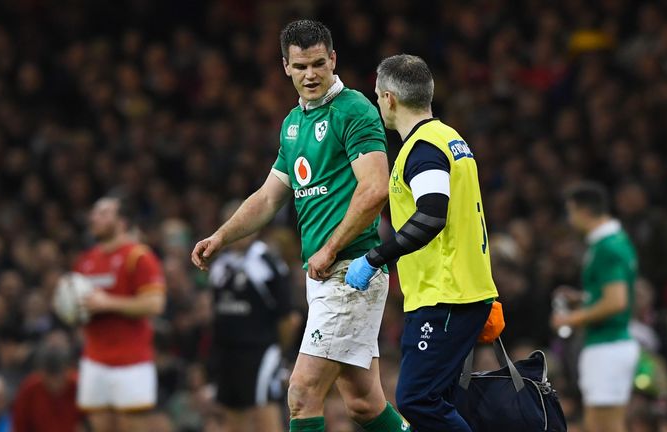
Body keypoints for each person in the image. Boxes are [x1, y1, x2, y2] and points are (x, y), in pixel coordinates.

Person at [191, 20, 409, 432]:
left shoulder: (355, 111)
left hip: (351, 269)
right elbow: (269, 197)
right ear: (285, 67)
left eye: (317, 64)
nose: (310, 75)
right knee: (363, 403)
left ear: (333, 60)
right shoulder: (294, 123)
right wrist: (221, 236)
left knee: (302, 393)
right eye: (300, 66)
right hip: (325, 275)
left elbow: (375, 189)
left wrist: (329, 248)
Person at [345, 54, 499, 431]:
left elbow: (432, 214)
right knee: (442, 401)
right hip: (461, 292)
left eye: (378, 97)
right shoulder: (450, 138)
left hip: (444, 296)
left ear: (389, 98)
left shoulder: (424, 148)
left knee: (416, 398)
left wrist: (375, 257)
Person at [551, 182, 639, 432]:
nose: (570, 220)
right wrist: (583, 298)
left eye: (570, 212)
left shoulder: (607, 247)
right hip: (609, 345)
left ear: (582, 211)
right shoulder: (615, 241)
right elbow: (611, 293)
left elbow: (617, 301)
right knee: (600, 424)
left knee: (604, 426)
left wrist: (571, 319)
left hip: (608, 345)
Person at [73, 196, 166, 432]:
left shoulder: (139, 256)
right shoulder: (85, 261)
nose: (94, 218)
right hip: (94, 359)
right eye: (94, 213)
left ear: (122, 222)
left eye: (104, 213)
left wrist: (108, 303)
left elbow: (155, 304)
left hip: (131, 362)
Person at [207, 201, 301, 432]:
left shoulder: (266, 263)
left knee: (264, 413)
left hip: (259, 351)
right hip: (227, 352)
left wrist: (276, 350)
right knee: (230, 414)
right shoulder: (219, 265)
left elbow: (288, 318)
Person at [12, 330, 83, 432]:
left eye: (59, 379)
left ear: (68, 371)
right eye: (49, 379)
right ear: (41, 373)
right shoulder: (29, 389)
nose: (54, 385)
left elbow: (91, 421)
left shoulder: (79, 386)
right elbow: (19, 425)